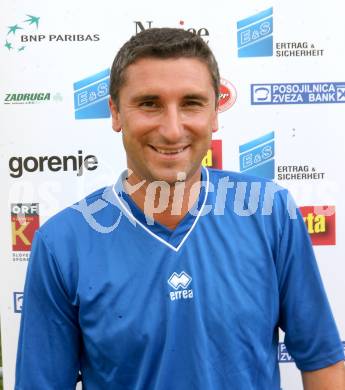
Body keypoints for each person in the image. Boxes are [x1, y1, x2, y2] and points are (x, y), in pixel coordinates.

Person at [15, 28, 345, 389]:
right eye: (149, 104)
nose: (172, 130)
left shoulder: (270, 212)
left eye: (191, 103)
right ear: (115, 112)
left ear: (215, 112)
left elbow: (322, 364)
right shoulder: (62, 243)